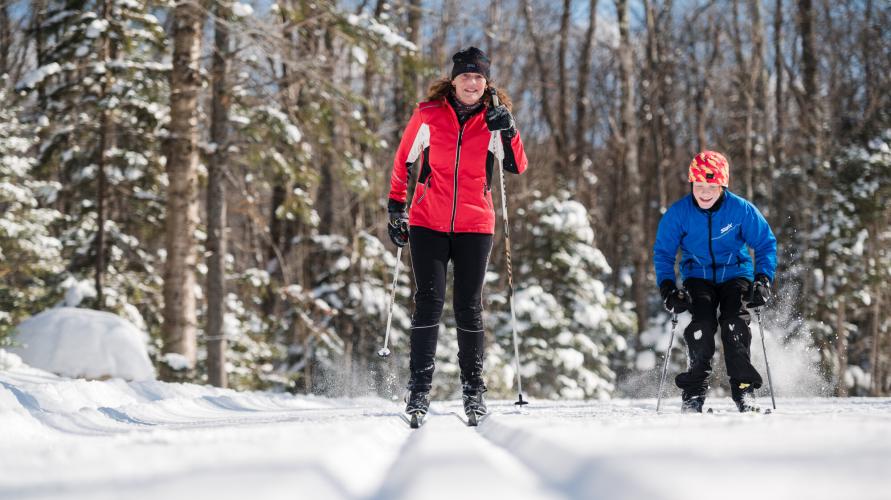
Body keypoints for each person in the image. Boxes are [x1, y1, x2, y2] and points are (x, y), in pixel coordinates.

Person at [386, 47, 528, 420]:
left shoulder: (495, 118)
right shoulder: (428, 114)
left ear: (486, 82)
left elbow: (516, 166)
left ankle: (473, 391)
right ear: (453, 79)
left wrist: (509, 130)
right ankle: (418, 390)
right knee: (428, 301)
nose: (472, 82)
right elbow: (405, 160)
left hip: (475, 225)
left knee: (469, 306)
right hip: (427, 221)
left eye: (478, 77)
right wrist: (395, 207)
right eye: (465, 76)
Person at [653, 151, 777, 413]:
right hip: (698, 277)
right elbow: (663, 253)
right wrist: (667, 289)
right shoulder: (679, 214)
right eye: (699, 186)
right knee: (702, 326)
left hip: (735, 275)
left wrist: (763, 279)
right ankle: (694, 392)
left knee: (734, 323)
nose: (705, 192)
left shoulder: (741, 210)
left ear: (723, 185)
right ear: (691, 185)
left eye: (711, 186)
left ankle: (744, 390)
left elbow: (765, 244)